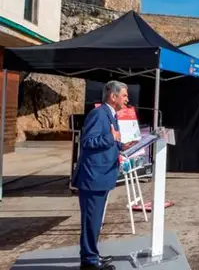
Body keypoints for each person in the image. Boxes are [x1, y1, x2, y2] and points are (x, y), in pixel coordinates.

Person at [72, 81, 136, 270]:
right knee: (91, 221)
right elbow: (87, 142)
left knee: (95, 220)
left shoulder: (110, 114)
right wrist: (112, 138)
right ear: (113, 96)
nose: (127, 99)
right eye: (124, 95)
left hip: (102, 175)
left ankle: (92, 255)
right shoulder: (98, 114)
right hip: (93, 178)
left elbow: (107, 140)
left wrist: (120, 146)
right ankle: (90, 261)